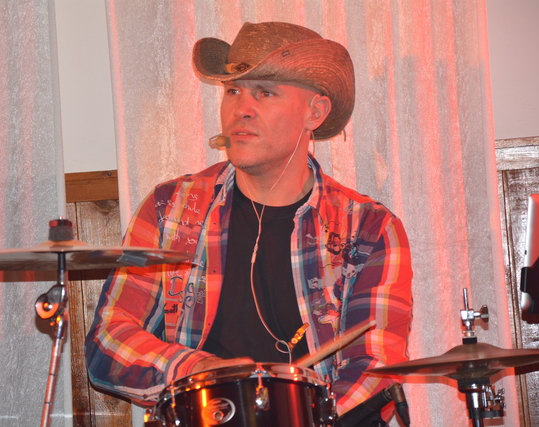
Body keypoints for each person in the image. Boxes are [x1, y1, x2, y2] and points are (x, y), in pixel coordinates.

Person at [85, 21, 412, 423]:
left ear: (315, 111)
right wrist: (196, 369)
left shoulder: (368, 229)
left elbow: (375, 368)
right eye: (233, 91)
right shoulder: (171, 209)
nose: (241, 109)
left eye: (265, 92)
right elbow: (107, 342)